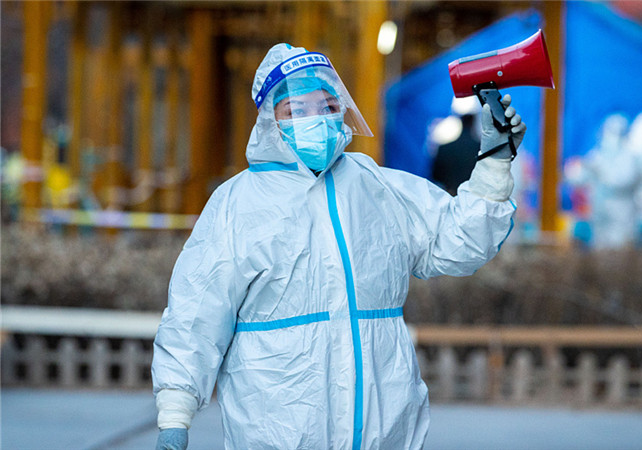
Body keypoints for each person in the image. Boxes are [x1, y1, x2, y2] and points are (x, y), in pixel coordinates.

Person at [151, 43, 525, 450]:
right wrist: (175, 413)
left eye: (328, 106)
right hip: (277, 430)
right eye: (297, 110)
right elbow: (196, 310)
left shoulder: (375, 186)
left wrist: (495, 159)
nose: (317, 118)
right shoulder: (237, 204)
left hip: (384, 429)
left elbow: (460, 240)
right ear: (269, 120)